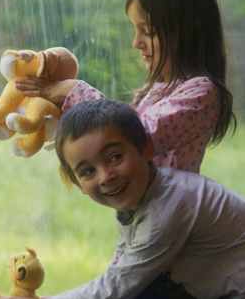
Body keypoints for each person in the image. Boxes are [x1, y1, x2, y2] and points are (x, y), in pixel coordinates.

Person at [16, 0, 236, 174]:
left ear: (191, 30)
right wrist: (61, 111)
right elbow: (110, 136)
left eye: (148, 32)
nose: (136, 43)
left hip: (169, 211)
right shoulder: (158, 90)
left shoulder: (201, 92)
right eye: (135, 30)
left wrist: (76, 91)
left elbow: (133, 138)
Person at [48, 99, 245, 299]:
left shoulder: (167, 208)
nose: (106, 177)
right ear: (79, 185)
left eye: (115, 157)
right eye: (88, 171)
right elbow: (122, 267)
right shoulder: (140, 197)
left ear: (147, 149)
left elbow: (119, 285)